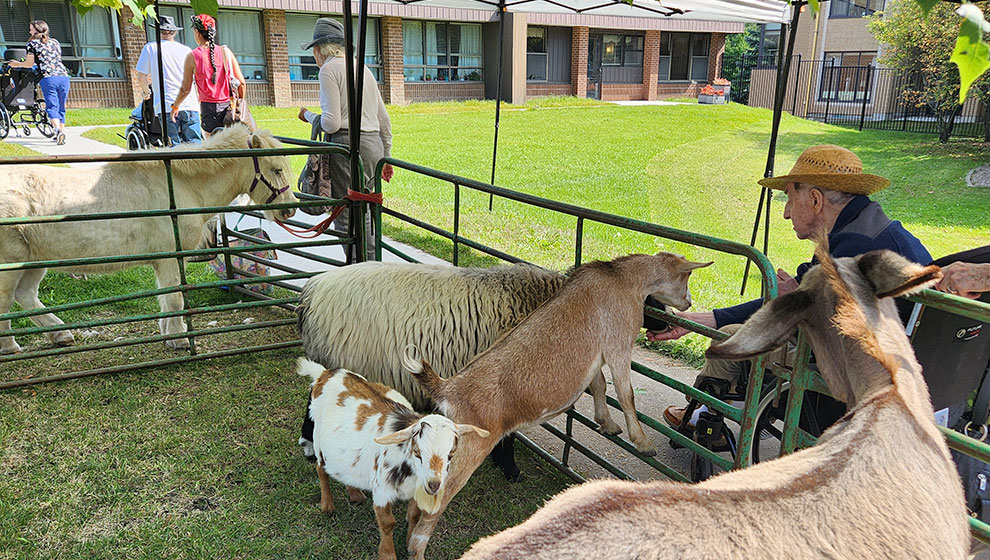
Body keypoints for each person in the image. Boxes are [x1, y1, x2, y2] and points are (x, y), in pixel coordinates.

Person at [651, 144, 932, 428]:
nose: (786, 213)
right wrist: (697, 320)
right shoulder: (866, 229)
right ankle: (715, 409)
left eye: (788, 198)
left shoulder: (853, 247)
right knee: (737, 333)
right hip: (902, 372)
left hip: (852, 382)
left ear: (814, 200)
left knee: (728, 338)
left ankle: (708, 415)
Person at [296, 18, 394, 261]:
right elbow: (384, 119)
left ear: (319, 49)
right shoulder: (363, 68)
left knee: (346, 217)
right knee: (367, 210)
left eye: (314, 52)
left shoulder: (329, 70)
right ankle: (372, 267)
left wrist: (308, 116)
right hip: (373, 146)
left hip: (346, 146)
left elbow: (330, 122)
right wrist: (387, 156)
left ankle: (359, 273)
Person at [172, 14, 249, 136]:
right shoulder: (226, 52)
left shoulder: (193, 56)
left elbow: (185, 89)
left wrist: (175, 106)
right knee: (232, 146)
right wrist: (238, 102)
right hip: (229, 107)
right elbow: (242, 83)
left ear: (196, 32)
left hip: (209, 108)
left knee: (213, 149)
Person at [135, 15, 201, 145]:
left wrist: (146, 93)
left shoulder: (151, 48)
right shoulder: (186, 50)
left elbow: (141, 76)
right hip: (190, 103)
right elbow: (196, 77)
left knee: (173, 147)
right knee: (195, 145)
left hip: (167, 103)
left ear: (158, 31)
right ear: (174, 32)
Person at [8, 20, 69, 145]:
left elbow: (29, 64)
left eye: (31, 29)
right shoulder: (55, 42)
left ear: (36, 30)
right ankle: (61, 132)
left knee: (52, 105)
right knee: (61, 106)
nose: (29, 31)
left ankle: (57, 130)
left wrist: (17, 64)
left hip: (48, 77)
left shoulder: (32, 44)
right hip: (64, 77)